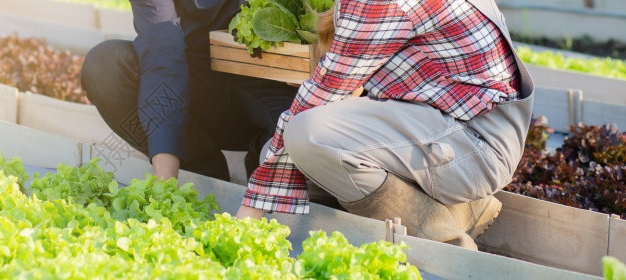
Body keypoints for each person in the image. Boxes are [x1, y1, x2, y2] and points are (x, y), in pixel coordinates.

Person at [235, 0, 535, 251]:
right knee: (283, 157)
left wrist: (251, 210)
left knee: (307, 136)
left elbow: (319, 99)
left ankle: (446, 246)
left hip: (475, 140)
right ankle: (464, 209)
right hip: (439, 122)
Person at [81, 0, 294, 181]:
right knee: (105, 67)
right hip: (197, 90)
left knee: (295, 133)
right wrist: (164, 184)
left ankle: (261, 169)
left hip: (273, 85)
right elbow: (163, 53)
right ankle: (201, 174)